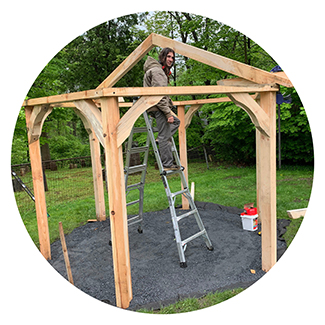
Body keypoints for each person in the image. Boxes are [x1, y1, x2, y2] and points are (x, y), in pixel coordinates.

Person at [143, 48, 180, 171]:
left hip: (156, 106)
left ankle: (160, 139)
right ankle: (167, 164)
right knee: (165, 136)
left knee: (176, 122)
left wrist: (170, 104)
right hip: (158, 107)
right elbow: (159, 96)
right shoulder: (158, 72)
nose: (171, 60)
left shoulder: (158, 71)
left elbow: (162, 94)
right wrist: (168, 112)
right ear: (162, 57)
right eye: (168, 57)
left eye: (173, 58)